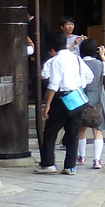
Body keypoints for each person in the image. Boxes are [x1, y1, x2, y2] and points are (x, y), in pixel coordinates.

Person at [37, 30, 88, 174]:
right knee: (73, 134)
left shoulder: (55, 60)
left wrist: (47, 105)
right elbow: (88, 76)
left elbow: (54, 84)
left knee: (50, 132)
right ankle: (70, 166)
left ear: (52, 46)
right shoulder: (76, 58)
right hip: (76, 97)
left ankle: (48, 163)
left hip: (61, 98)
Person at [77, 37, 105, 170]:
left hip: (81, 97)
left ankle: (81, 156)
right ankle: (97, 160)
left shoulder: (79, 63)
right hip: (98, 96)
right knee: (97, 129)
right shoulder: (99, 64)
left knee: (81, 129)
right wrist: (103, 56)